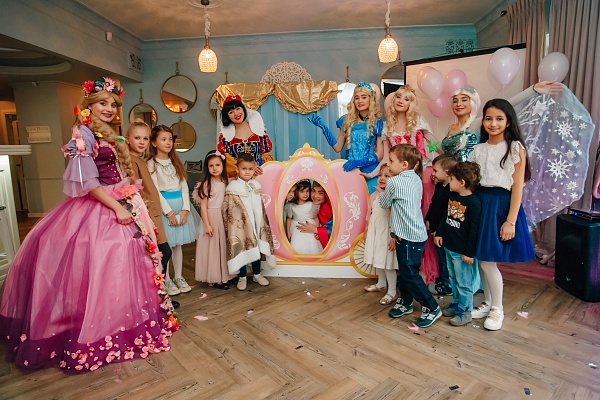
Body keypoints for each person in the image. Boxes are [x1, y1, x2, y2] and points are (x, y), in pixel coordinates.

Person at [0, 77, 176, 373]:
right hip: (101, 206)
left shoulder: (107, 133)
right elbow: (87, 184)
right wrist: (117, 207)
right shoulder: (82, 134)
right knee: (104, 261)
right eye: (103, 103)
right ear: (89, 105)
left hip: (121, 199)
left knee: (128, 263)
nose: (109, 109)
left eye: (113, 104)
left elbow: (113, 171)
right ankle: (97, 324)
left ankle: (121, 318)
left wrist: (128, 192)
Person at [468, 99, 535, 331]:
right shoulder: (478, 149)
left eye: (499, 119)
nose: (493, 123)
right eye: (488, 118)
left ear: (508, 122)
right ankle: (488, 302)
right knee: (481, 259)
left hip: (500, 206)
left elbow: (517, 188)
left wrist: (510, 221)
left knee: (488, 261)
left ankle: (498, 308)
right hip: (480, 204)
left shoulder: (515, 148)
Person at [379, 144, 442, 328]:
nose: (388, 164)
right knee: (406, 271)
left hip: (408, 237)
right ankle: (405, 302)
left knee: (409, 274)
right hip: (414, 235)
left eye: (391, 161)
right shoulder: (416, 178)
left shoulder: (394, 182)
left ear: (404, 164)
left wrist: (382, 191)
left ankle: (431, 307)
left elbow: (384, 204)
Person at [126, 119, 180, 309]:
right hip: (145, 215)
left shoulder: (139, 160)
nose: (142, 142)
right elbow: (132, 191)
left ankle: (158, 296)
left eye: (145, 138)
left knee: (162, 253)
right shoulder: (130, 161)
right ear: (127, 139)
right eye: (137, 138)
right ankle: (156, 297)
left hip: (153, 214)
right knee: (160, 254)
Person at [147, 125, 201, 296]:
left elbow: (184, 186)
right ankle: (167, 279)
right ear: (154, 142)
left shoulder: (175, 161)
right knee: (167, 245)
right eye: (163, 139)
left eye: (170, 139)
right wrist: (169, 213)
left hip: (180, 205)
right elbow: (155, 191)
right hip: (165, 208)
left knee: (178, 245)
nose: (168, 143)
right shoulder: (151, 164)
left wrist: (185, 209)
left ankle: (179, 276)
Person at [308, 82, 384, 192]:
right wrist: (324, 129)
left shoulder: (377, 122)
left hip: (370, 173)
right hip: (350, 171)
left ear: (371, 99)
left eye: (364, 97)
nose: (360, 101)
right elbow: (337, 147)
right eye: (357, 98)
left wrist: (359, 162)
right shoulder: (346, 120)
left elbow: (380, 154)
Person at [434, 161, 482, 326]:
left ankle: (465, 310)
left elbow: (474, 230)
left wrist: (469, 253)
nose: (449, 181)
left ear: (462, 183)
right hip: (449, 247)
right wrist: (440, 233)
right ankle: (456, 303)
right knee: (453, 279)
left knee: (464, 283)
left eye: (452, 179)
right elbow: (445, 216)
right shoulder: (452, 195)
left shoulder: (474, 203)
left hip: (462, 253)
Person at [222, 153, 276, 290]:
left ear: (254, 169)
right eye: (244, 169)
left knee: (256, 247)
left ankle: (257, 274)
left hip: (256, 224)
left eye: (250, 169)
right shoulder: (233, 189)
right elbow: (229, 209)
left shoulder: (255, 186)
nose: (247, 172)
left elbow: (260, 208)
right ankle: (242, 277)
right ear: (237, 169)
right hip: (241, 226)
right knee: (242, 247)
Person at [193, 150, 232, 289]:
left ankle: (226, 275)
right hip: (212, 217)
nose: (214, 168)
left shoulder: (227, 182)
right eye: (211, 166)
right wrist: (207, 224)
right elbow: (203, 207)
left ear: (223, 166)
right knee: (214, 248)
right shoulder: (206, 184)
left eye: (217, 165)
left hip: (224, 216)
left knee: (224, 246)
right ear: (207, 167)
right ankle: (215, 277)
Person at [362, 165, 398, 305]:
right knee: (377, 258)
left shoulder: (392, 195)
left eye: (387, 176)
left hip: (386, 232)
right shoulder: (373, 195)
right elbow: (369, 213)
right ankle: (381, 283)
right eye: (380, 175)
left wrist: (393, 236)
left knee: (387, 262)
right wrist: (366, 230)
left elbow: (394, 215)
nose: (382, 178)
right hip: (375, 230)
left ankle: (392, 291)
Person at [217, 95, 274, 179]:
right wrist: (247, 168)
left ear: (243, 109)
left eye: (238, 109)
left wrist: (257, 167)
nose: (236, 114)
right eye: (231, 112)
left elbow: (267, 155)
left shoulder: (259, 130)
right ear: (227, 116)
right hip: (237, 178)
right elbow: (227, 161)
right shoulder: (225, 136)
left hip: (259, 175)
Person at [425, 154, 458, 296]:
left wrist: (439, 231)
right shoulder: (439, 186)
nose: (432, 173)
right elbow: (433, 204)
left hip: (443, 232)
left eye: (435, 170)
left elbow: (447, 213)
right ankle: (443, 280)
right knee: (440, 257)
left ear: (447, 173)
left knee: (445, 259)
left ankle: (447, 285)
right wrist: (428, 218)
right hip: (436, 229)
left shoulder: (451, 190)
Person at [442, 85, 482, 162]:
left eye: (464, 100)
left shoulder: (479, 123)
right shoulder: (449, 129)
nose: (458, 104)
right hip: (451, 169)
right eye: (455, 101)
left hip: (473, 168)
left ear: (473, 102)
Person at [286, 180, 323, 254]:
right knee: (297, 243)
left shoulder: (311, 205)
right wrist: (288, 232)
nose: (305, 194)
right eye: (302, 191)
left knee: (312, 243)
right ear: (297, 192)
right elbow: (289, 219)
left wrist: (317, 230)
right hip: (297, 228)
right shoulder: (292, 206)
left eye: (307, 191)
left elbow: (315, 217)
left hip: (310, 225)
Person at [296, 181, 333, 248]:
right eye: (313, 191)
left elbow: (335, 231)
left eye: (321, 193)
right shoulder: (309, 204)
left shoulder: (332, 209)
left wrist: (316, 230)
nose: (315, 196)